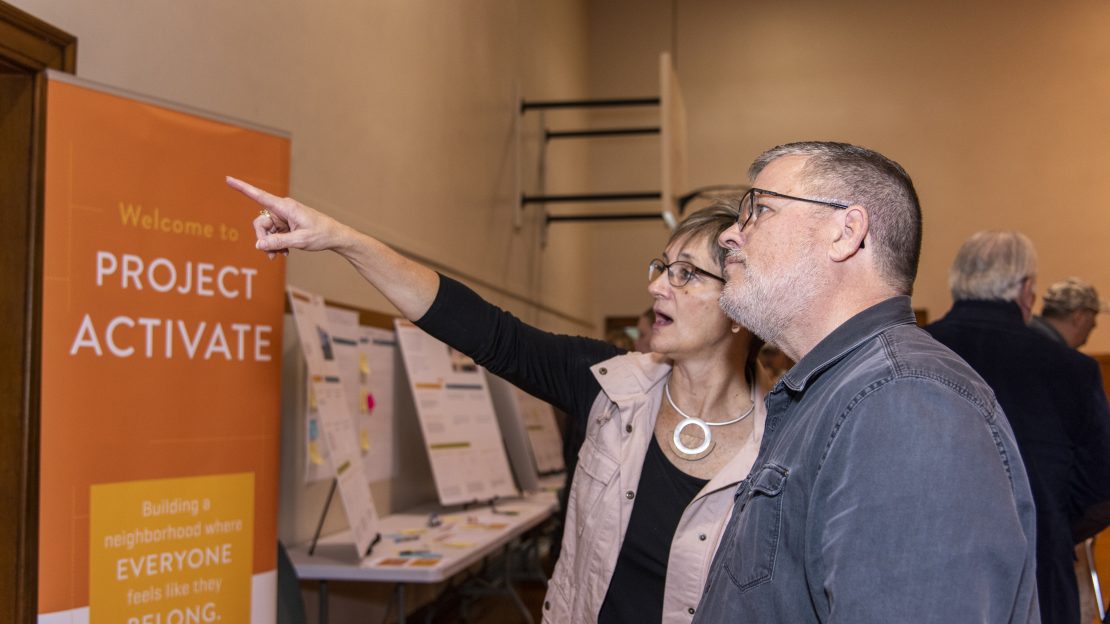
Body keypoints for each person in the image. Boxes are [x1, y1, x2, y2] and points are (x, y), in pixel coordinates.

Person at [227, 176, 770, 624]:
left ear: (739, 308)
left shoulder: (787, 440)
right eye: (662, 268)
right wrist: (343, 239)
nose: (657, 287)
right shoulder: (609, 387)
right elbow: (484, 330)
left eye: (686, 275)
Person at [695, 141, 1039, 623]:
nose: (731, 234)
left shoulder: (905, 401)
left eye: (761, 209)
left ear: (847, 232)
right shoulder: (839, 390)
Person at [924, 231, 1110, 624]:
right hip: (1038, 578)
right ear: (1026, 290)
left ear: (957, 281)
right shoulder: (1072, 369)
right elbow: (1100, 491)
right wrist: (1049, 523)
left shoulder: (913, 352)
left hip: (930, 577)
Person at [1030, 276, 1108, 349]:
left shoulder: (1026, 337)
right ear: (1079, 318)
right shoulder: (1058, 355)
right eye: (1093, 315)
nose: (1094, 324)